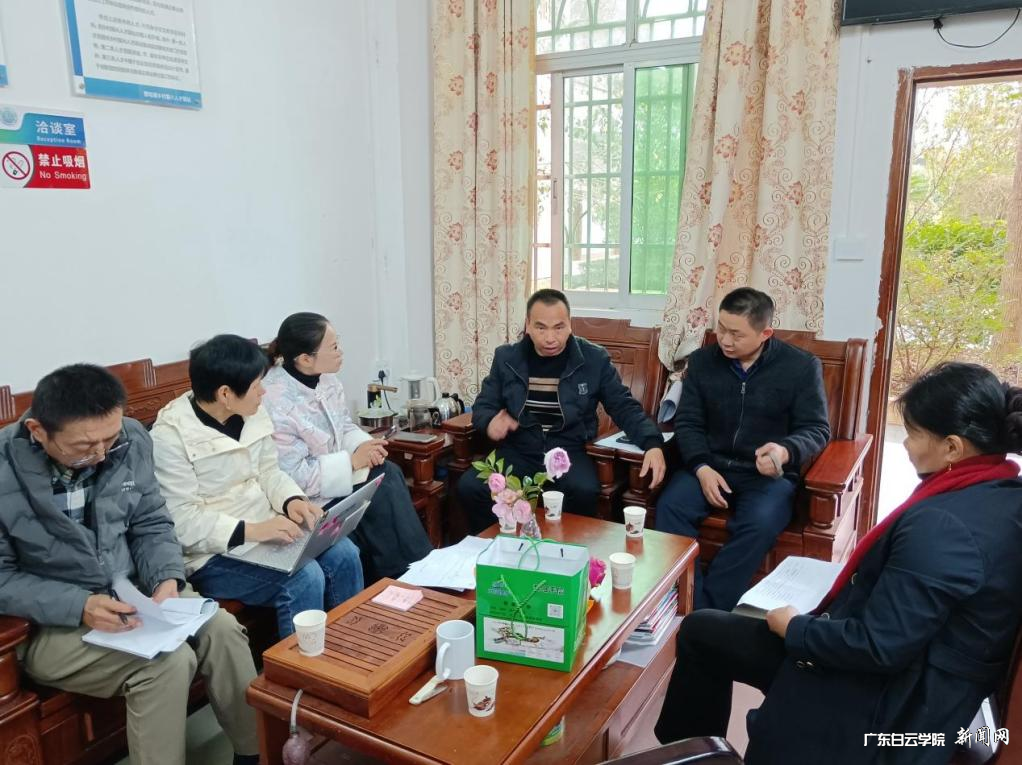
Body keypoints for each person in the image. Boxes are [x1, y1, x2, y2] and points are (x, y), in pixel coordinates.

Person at [654, 362, 1022, 765]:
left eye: (914, 434)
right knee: (703, 630)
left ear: (953, 447)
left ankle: (688, 753)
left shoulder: (944, 526)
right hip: (916, 671)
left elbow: (877, 647)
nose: (905, 444)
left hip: (891, 704)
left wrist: (795, 627)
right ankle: (690, 753)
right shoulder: (999, 493)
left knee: (709, 631)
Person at [0, 364, 259, 765]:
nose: (101, 454)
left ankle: (256, 752)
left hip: (135, 594)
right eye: (85, 446)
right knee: (168, 664)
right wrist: (80, 606)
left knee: (222, 630)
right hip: (52, 623)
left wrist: (166, 578)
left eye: (110, 438)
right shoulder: (4, 470)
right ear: (38, 431)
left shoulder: (132, 438)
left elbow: (151, 522)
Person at [150, 334, 363, 639]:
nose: (263, 391)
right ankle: (302, 665)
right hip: (212, 555)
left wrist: (292, 501)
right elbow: (182, 522)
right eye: (255, 386)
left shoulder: (250, 411)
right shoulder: (170, 437)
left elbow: (269, 472)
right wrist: (253, 531)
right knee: (305, 578)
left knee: (344, 553)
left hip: (266, 534)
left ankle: (352, 645)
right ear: (225, 394)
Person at [656, 288, 830, 611]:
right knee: (670, 508)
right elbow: (688, 423)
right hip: (709, 465)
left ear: (766, 333)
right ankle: (689, 604)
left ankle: (706, 612)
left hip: (764, 475)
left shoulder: (801, 367)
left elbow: (817, 429)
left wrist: (784, 451)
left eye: (736, 334)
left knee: (760, 524)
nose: (725, 340)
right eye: (721, 328)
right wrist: (701, 468)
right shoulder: (702, 361)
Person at [458, 288, 666, 532]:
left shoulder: (593, 359)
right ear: (528, 325)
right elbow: (484, 405)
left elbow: (623, 406)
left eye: (559, 327)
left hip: (567, 452)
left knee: (583, 491)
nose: (550, 338)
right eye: (541, 327)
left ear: (570, 324)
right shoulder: (507, 358)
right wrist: (490, 421)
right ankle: (498, 546)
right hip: (519, 450)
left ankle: (564, 550)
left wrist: (652, 443)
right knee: (470, 487)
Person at [261, 312, 433, 581]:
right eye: (333, 347)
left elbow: (343, 425)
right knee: (382, 490)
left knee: (388, 472)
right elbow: (292, 475)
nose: (340, 352)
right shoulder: (273, 398)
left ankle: (418, 570)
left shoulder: (327, 379)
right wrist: (352, 462)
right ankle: (409, 576)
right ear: (305, 359)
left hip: (339, 477)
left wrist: (366, 447)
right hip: (308, 500)